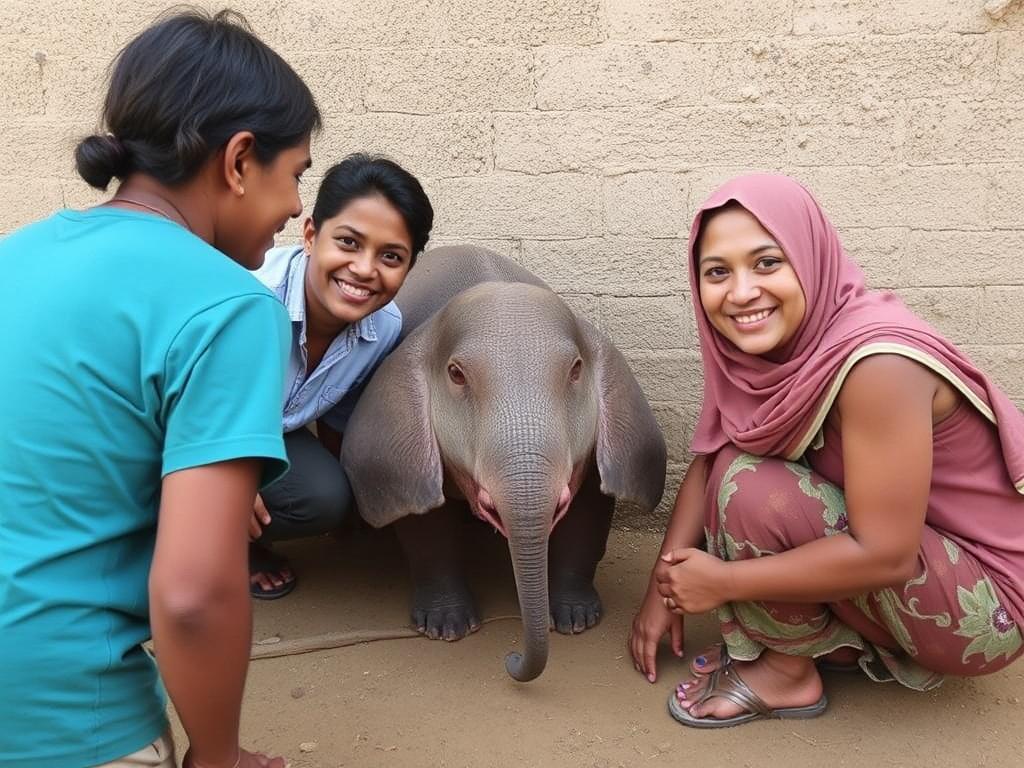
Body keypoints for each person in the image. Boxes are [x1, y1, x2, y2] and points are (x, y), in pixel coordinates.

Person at [0, 9, 320, 767]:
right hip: (61, 709)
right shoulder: (231, 307)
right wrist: (218, 754)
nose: (298, 206)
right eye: (297, 174)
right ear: (240, 160)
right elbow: (193, 594)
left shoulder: (18, 254)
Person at [628, 174, 1024, 728]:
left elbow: (887, 555)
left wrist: (722, 583)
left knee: (754, 490)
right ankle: (829, 640)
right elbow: (712, 456)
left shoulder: (877, 366)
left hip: (988, 610)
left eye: (767, 263)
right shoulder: (776, 355)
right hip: (924, 568)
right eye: (718, 272)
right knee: (732, 471)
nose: (741, 293)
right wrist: (661, 589)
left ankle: (787, 673)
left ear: (810, 258)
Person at [246, 153, 433, 599]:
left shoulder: (382, 328)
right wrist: (228, 478)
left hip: (269, 433)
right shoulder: (249, 300)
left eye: (391, 256)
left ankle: (235, 541)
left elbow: (339, 419)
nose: (365, 269)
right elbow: (169, 405)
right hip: (173, 433)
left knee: (325, 496)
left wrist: (356, 512)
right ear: (310, 235)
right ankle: (173, 539)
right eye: (348, 243)